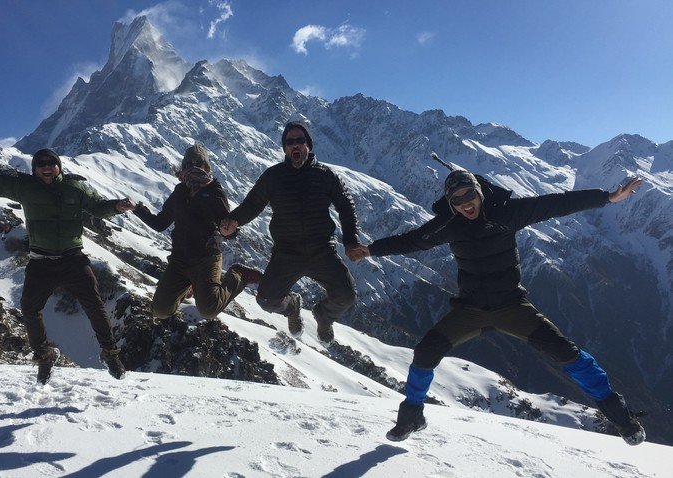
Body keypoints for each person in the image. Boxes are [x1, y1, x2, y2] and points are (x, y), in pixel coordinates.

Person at [348, 169, 646, 445]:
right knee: (425, 352)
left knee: (567, 353)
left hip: (511, 306)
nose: (465, 204)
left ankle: (623, 419)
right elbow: (412, 241)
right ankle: (412, 418)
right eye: (457, 200)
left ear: (479, 192)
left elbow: (557, 204)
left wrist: (607, 197)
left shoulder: (507, 214)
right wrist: (371, 250)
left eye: (469, 195)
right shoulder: (448, 226)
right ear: (450, 204)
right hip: (470, 309)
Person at [0, 149, 130, 385]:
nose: (46, 166)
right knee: (30, 309)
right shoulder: (24, 186)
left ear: (58, 166)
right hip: (41, 261)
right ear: (34, 168)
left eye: (51, 163)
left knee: (94, 304)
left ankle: (111, 354)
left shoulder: (75, 188)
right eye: (40, 163)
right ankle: (44, 356)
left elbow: (97, 207)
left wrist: (116, 207)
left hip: (72, 258)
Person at [220, 121, 363, 343]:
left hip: (322, 250)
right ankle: (292, 307)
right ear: (285, 148)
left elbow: (345, 204)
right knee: (267, 300)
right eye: (289, 142)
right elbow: (253, 204)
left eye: (299, 140)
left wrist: (351, 240)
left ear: (308, 145)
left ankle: (323, 317)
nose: (295, 145)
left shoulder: (325, 175)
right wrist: (233, 221)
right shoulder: (273, 176)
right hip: (286, 252)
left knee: (346, 296)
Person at [132, 144, 262, 320]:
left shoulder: (214, 192)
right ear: (183, 167)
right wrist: (136, 209)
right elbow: (160, 223)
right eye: (188, 164)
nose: (193, 166)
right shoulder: (180, 191)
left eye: (198, 163)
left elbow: (227, 227)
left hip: (206, 258)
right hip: (180, 259)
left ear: (206, 167)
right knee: (160, 311)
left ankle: (239, 275)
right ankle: (189, 286)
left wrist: (228, 231)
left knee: (208, 310)